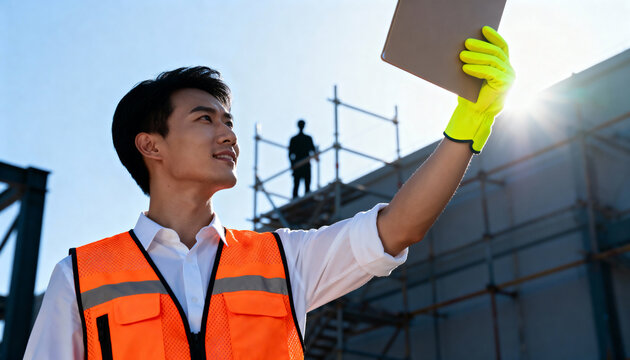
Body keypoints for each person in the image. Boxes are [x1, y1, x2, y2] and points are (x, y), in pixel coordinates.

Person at [24, 25, 513, 359]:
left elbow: (398, 227)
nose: (228, 135)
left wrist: (468, 126)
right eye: (204, 119)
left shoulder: (282, 260)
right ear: (151, 145)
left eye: (229, 122)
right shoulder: (81, 278)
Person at [288, 119, 316, 198]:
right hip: (300, 164)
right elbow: (290, 154)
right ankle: (298, 199)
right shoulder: (305, 138)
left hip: (303, 164)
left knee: (305, 185)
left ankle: (302, 198)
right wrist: (292, 164)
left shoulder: (299, 139)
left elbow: (290, 154)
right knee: (297, 185)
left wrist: (292, 164)